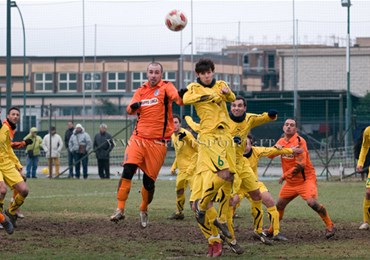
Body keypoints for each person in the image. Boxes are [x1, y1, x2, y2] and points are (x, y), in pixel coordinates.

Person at [110, 62, 182, 228]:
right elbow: (129, 109)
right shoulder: (141, 90)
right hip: (138, 139)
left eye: (157, 72)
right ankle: (120, 209)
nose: (153, 75)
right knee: (127, 171)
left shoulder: (166, 87)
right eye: (151, 72)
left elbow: (178, 99)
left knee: (148, 183)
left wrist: (182, 95)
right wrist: (133, 107)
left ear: (161, 74)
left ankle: (143, 209)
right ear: (147, 74)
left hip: (158, 143)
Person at [182, 58, 236, 257]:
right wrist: (208, 96)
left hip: (224, 138)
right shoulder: (194, 87)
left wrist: (226, 93)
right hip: (209, 138)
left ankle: (218, 226)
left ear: (213, 72)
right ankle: (214, 239)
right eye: (203, 73)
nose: (206, 75)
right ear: (198, 75)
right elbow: (186, 99)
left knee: (228, 175)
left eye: (209, 72)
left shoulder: (221, 85)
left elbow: (232, 98)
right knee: (195, 201)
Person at [226, 96, 278, 249]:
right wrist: (229, 142)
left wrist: (270, 116)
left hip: (242, 165)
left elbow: (261, 118)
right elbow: (214, 136)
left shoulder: (249, 119)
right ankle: (229, 236)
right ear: (230, 108)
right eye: (234, 105)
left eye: (239, 105)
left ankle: (258, 230)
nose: (236, 108)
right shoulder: (222, 120)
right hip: (228, 165)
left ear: (244, 107)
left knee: (257, 195)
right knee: (230, 201)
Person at [272, 118, 336, 239]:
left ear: (296, 129)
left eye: (292, 125)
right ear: (283, 127)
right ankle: (271, 230)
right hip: (291, 183)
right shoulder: (281, 141)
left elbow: (301, 165)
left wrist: (284, 175)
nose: (289, 127)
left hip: (305, 180)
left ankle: (330, 225)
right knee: (279, 206)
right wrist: (275, 148)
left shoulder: (300, 141)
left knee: (312, 203)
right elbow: (270, 155)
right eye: (286, 124)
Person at [239, 134, 302, 241]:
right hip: (237, 185)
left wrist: (290, 150)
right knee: (232, 203)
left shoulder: (256, 151)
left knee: (269, 200)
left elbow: (272, 151)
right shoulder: (233, 153)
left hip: (254, 184)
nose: (244, 146)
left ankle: (276, 232)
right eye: (242, 144)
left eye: (247, 144)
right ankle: (226, 235)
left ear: (252, 145)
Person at [1, 107, 30, 229]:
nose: (15, 116)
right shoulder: (4, 126)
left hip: (6, 163)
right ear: (7, 115)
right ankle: (1, 218)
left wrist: (17, 165)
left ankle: (11, 211)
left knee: (24, 190)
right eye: (13, 114)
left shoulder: (8, 129)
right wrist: (23, 143)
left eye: (17, 114)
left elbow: (8, 148)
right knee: (2, 190)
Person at [168, 115, 197, 220]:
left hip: (192, 170)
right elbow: (179, 153)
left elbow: (198, 151)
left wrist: (191, 167)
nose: (174, 125)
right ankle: (179, 213)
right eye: (171, 123)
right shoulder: (173, 136)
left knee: (195, 194)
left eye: (176, 122)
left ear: (180, 124)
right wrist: (174, 166)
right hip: (182, 171)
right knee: (179, 191)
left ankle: (199, 214)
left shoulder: (186, 134)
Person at [356, 126, 370, 230]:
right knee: (368, 193)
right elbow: (365, 147)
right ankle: (366, 222)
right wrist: (360, 162)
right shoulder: (367, 131)